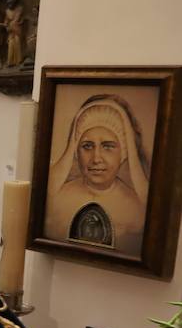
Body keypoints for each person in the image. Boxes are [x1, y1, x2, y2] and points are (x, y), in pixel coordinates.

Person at [45, 94, 150, 256]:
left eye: (107, 146)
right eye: (87, 146)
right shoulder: (58, 199)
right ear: (75, 152)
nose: (96, 159)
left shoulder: (136, 208)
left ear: (123, 153)